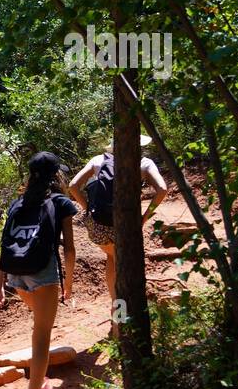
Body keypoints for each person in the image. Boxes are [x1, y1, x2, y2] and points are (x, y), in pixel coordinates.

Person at [0, 152, 78, 389]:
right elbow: (70, 249)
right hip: (43, 273)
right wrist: (70, 283)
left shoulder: (18, 203)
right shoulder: (61, 203)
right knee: (42, 335)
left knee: (38, 326)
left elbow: (5, 243)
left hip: (17, 275)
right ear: (56, 176)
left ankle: (40, 383)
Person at [68, 135, 168, 335]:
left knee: (112, 257)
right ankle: (119, 323)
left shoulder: (98, 160)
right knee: (121, 267)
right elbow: (162, 190)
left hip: (98, 228)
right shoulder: (144, 163)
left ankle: (116, 311)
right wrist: (145, 218)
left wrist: (87, 208)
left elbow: (72, 186)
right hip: (125, 228)